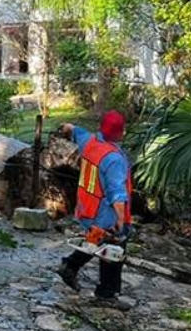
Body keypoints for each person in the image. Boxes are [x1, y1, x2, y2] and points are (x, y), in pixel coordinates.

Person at [55, 110, 134, 310]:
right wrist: (121, 218)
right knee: (114, 251)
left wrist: (67, 127)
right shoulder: (114, 159)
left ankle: (70, 265)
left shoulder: (90, 143)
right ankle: (106, 294)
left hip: (87, 207)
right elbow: (117, 193)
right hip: (105, 212)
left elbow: (75, 131)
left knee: (96, 239)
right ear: (121, 132)